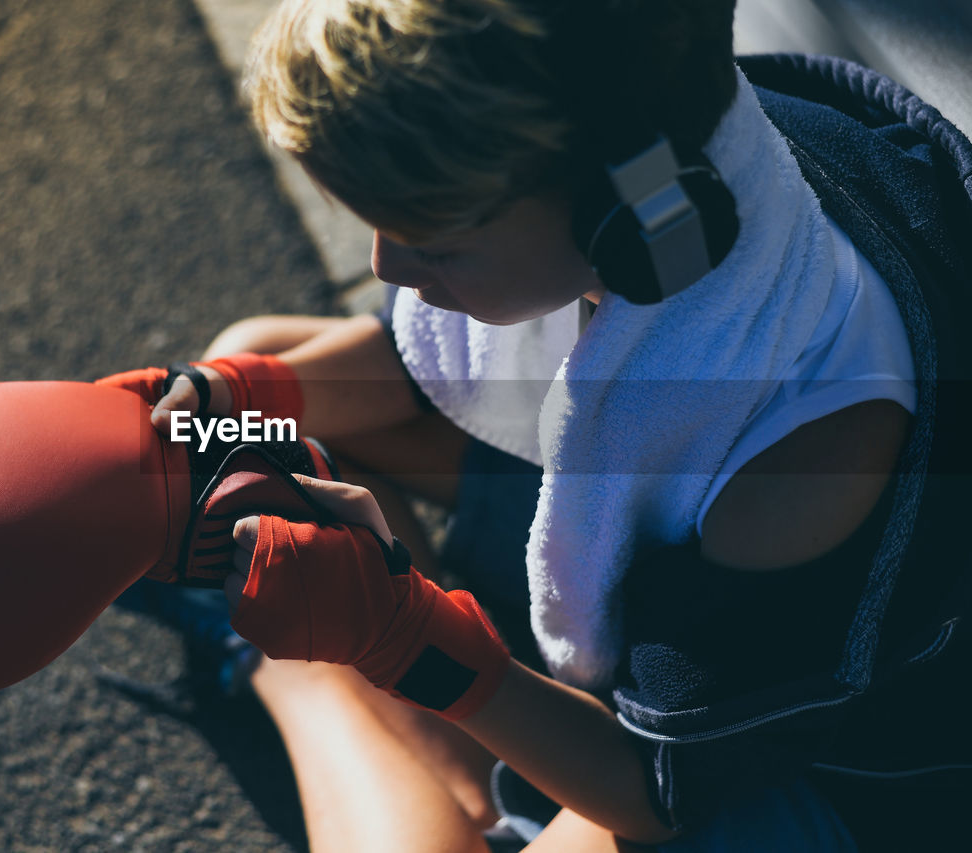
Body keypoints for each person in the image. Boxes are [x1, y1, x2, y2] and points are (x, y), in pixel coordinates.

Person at [107, 0, 972, 850]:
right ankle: (465, 788)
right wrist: (224, 388)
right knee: (258, 368)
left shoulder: (807, 464)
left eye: (434, 243)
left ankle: (291, 671)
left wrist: (394, 631)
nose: (386, 265)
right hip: (676, 582)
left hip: (801, 767)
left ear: (625, 213)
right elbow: (419, 364)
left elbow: (655, 789)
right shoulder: (676, 174)